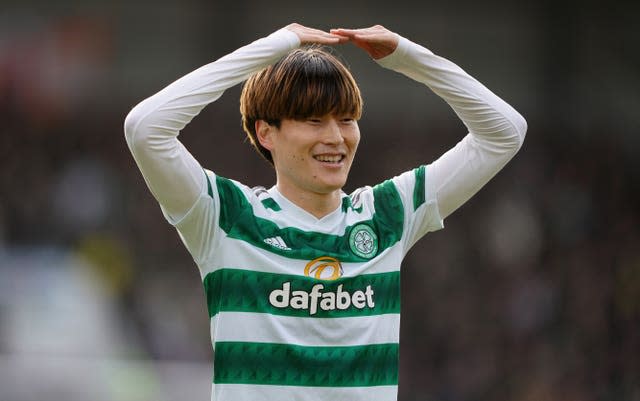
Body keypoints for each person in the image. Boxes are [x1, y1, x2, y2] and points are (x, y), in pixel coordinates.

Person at [124, 23, 526, 401]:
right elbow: (145, 128)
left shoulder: (387, 216)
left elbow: (505, 131)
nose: (335, 138)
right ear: (266, 132)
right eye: (314, 121)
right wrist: (272, 47)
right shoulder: (226, 217)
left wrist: (407, 56)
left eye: (347, 120)